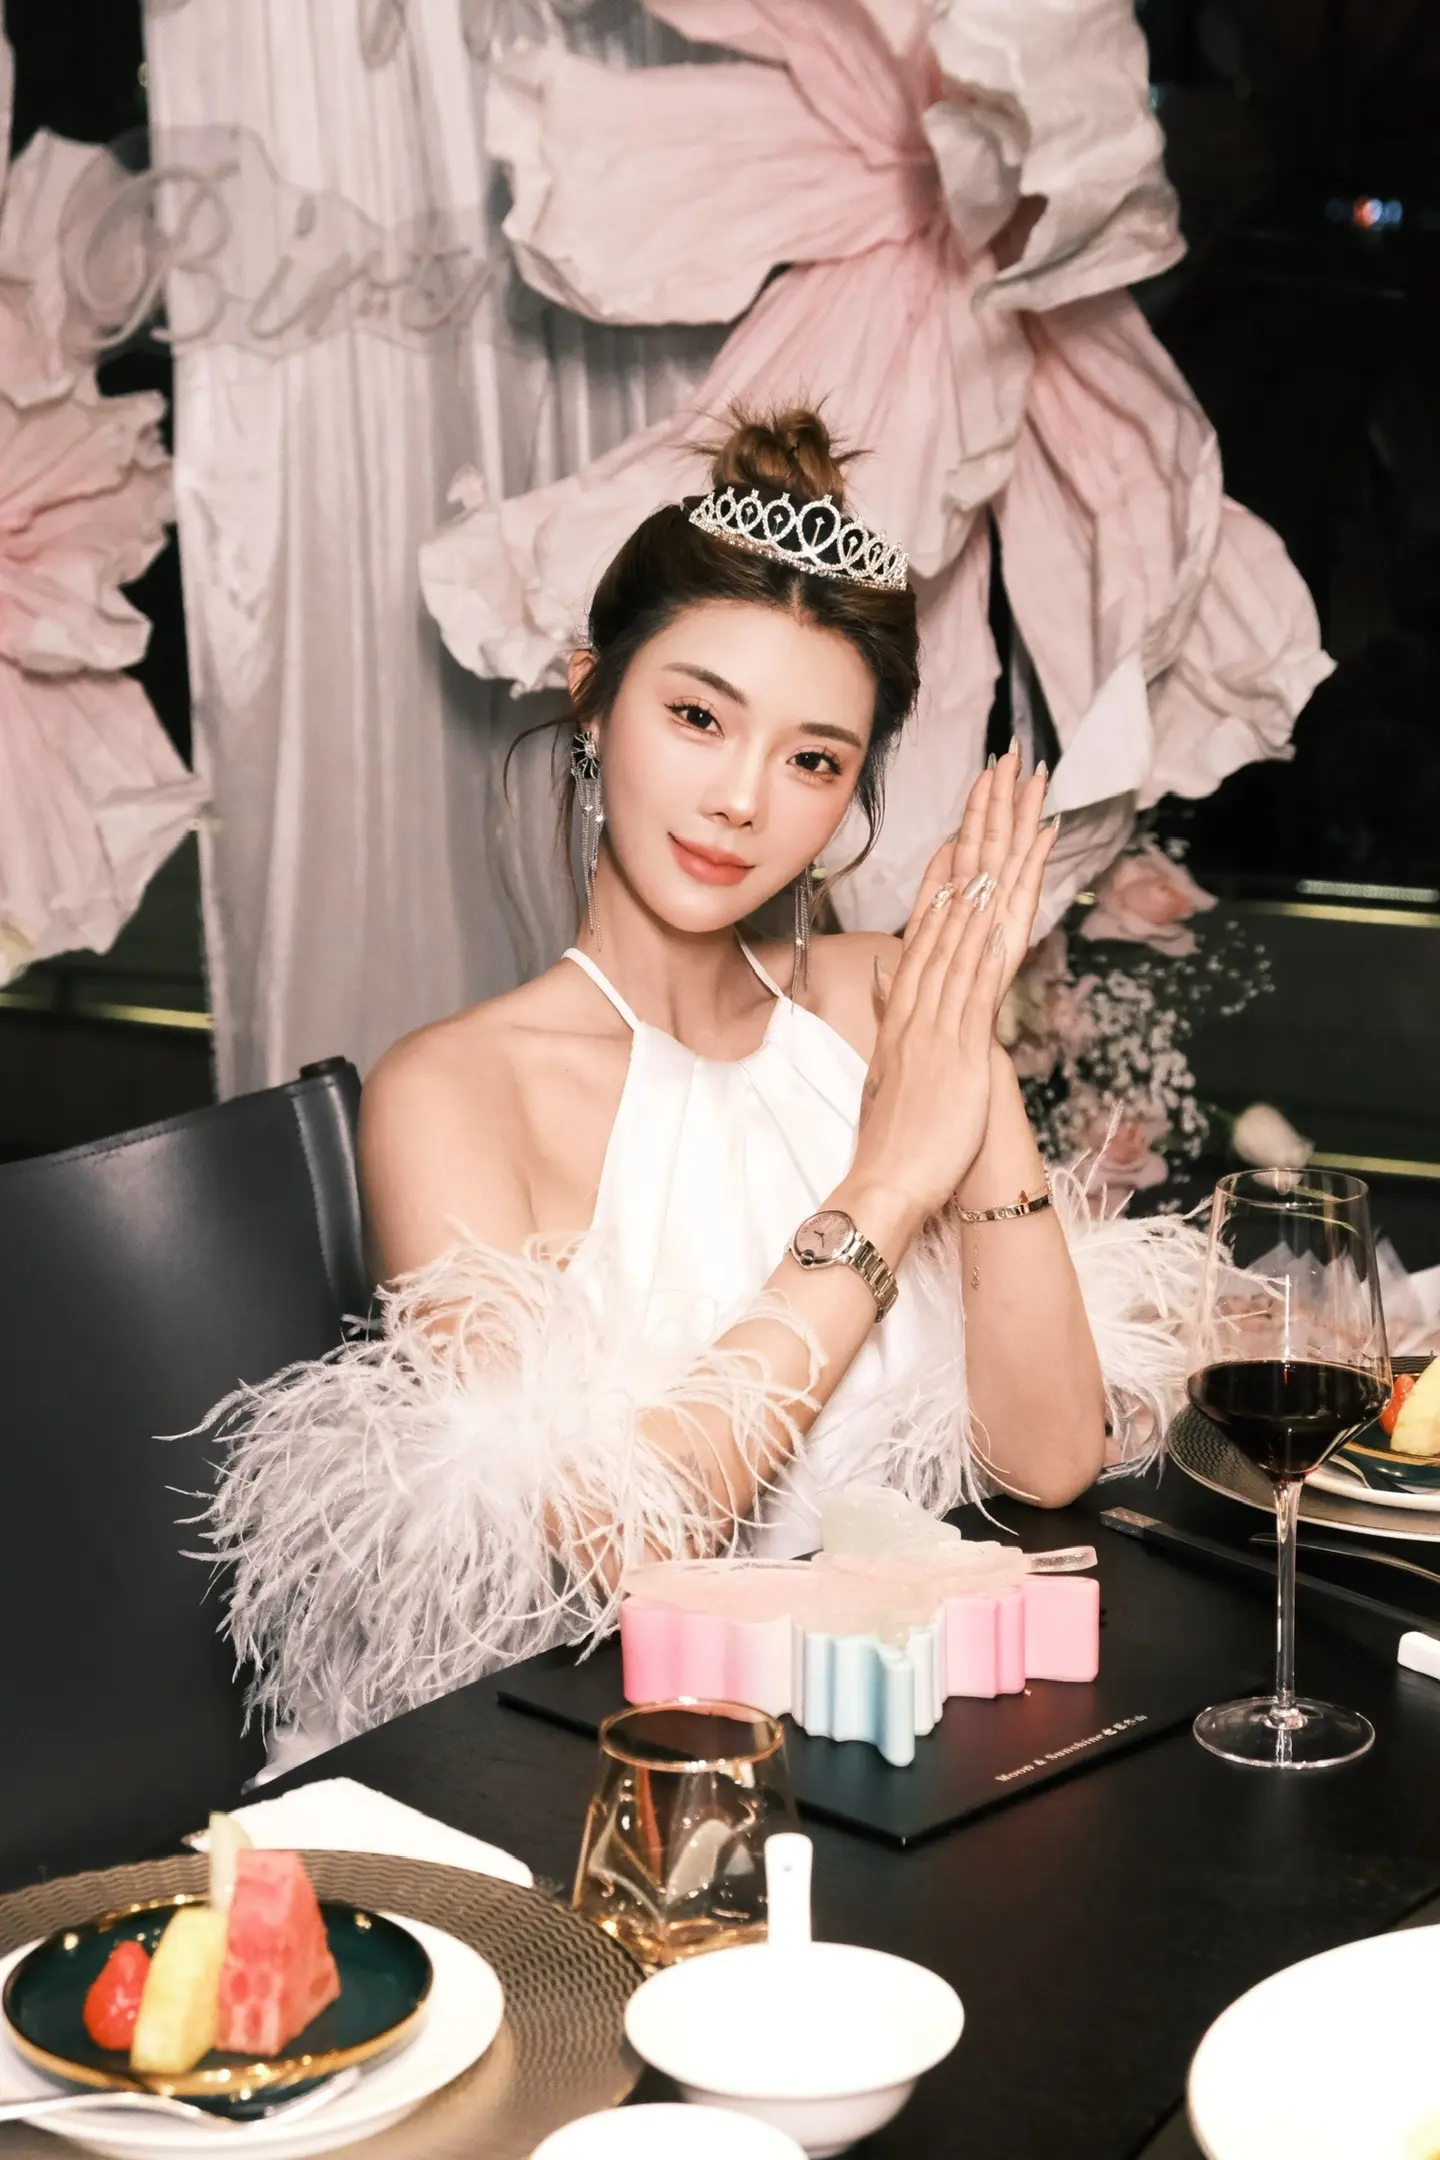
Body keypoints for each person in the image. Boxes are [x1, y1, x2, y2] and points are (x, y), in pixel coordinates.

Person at [206, 410, 1203, 1747]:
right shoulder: (452, 1094)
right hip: (618, 1766)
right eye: (696, 716)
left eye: (812, 760)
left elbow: (1050, 1459)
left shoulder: (887, 997)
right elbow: (624, 1553)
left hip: (925, 1739)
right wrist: (888, 1184)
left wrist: (965, 1065)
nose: (742, 799)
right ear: (591, 698)